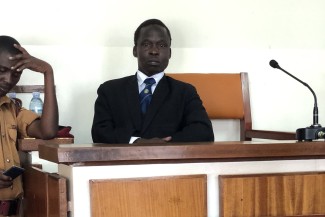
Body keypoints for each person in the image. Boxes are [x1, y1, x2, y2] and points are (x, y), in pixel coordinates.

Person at [92, 19, 214, 144]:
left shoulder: (185, 92)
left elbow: (204, 131)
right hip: (123, 162)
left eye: (161, 45)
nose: (154, 51)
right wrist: (135, 141)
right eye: (146, 44)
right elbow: (99, 132)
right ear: (135, 50)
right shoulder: (110, 90)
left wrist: (165, 144)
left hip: (168, 161)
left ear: (170, 53)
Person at [0, 35, 58, 216]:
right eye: (1, 70)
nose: (9, 79)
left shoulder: (13, 109)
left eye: (16, 73)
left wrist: (48, 72)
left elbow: (47, 131)